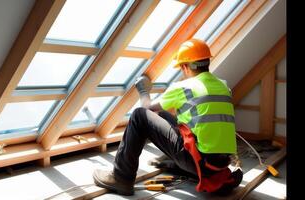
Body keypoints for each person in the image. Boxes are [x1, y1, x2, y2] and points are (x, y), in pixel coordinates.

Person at [93, 39, 243, 195]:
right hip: (219, 164)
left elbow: (146, 109)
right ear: (207, 62)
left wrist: (143, 91)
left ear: (185, 67)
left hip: (198, 162)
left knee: (139, 116)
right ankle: (177, 164)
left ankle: (121, 178)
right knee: (163, 115)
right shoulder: (223, 86)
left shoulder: (185, 87)